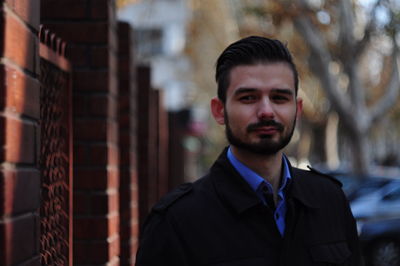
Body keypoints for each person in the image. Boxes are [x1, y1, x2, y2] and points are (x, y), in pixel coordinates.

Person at [135, 36, 362, 266]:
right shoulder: (176, 221)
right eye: (248, 98)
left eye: (279, 98)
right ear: (219, 111)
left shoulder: (330, 201)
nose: (266, 111)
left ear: (297, 109)